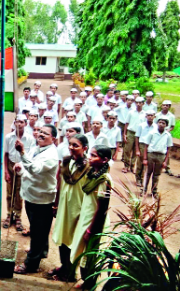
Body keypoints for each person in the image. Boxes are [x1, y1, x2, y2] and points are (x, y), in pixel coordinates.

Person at [13, 125, 59, 274]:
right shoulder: (36, 147)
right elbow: (28, 166)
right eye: (40, 131)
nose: (40, 135)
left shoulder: (51, 155)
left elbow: (35, 169)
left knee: (38, 232)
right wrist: (20, 168)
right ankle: (42, 251)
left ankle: (31, 264)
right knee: (38, 228)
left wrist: (22, 153)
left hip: (42, 200)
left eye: (45, 134)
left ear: (53, 139)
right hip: (30, 195)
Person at [70, 145, 112, 290]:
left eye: (94, 155)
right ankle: (86, 283)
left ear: (105, 160)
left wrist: (90, 230)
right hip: (86, 218)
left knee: (90, 256)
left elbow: (101, 209)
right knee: (82, 253)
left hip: (94, 223)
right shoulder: (93, 174)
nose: (90, 157)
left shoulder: (104, 179)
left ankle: (89, 284)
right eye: (90, 154)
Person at [51, 134, 90, 282]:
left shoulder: (88, 166)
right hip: (64, 206)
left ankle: (71, 272)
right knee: (62, 237)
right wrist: (56, 203)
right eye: (70, 144)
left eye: (76, 145)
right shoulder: (67, 162)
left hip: (77, 208)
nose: (71, 148)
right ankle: (64, 266)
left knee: (74, 241)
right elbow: (60, 183)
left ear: (84, 148)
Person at [3, 114, 35, 231]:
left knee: (19, 192)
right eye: (17, 122)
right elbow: (6, 154)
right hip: (11, 164)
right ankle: (9, 214)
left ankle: (17, 216)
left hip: (22, 166)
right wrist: (6, 170)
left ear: (26, 124)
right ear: (14, 123)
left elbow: (30, 156)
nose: (19, 124)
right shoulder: (8, 137)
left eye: (22, 122)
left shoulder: (30, 139)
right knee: (9, 191)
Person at [142, 118, 173, 197]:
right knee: (148, 173)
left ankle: (154, 191)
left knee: (156, 174)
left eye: (163, 123)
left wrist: (165, 161)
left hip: (161, 156)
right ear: (157, 123)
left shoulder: (168, 135)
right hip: (151, 154)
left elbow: (168, 149)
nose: (161, 124)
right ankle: (144, 190)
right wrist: (145, 158)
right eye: (160, 122)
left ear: (166, 125)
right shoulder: (152, 133)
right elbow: (146, 146)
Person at [122, 97, 146, 173]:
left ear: (143, 103)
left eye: (140, 103)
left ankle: (132, 166)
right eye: (137, 102)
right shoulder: (131, 112)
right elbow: (127, 123)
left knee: (136, 150)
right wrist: (125, 134)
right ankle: (126, 166)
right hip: (131, 132)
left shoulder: (145, 114)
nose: (138, 104)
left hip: (139, 134)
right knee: (127, 150)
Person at [135, 110, 157, 187]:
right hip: (142, 144)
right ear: (146, 116)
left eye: (152, 115)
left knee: (146, 163)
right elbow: (137, 137)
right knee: (140, 163)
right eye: (148, 115)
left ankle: (142, 179)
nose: (150, 117)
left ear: (155, 117)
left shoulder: (156, 127)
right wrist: (137, 149)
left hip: (150, 146)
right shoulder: (141, 125)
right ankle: (138, 178)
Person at [154, 100, 175, 176]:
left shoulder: (172, 116)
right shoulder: (157, 115)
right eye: (164, 105)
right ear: (161, 106)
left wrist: (167, 131)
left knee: (166, 150)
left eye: (167, 105)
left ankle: (167, 167)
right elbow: (155, 124)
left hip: (166, 134)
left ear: (169, 107)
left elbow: (172, 126)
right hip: (158, 133)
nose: (165, 106)